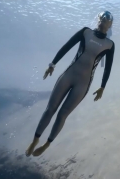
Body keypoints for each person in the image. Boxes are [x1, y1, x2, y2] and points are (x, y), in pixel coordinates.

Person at [25, 11, 115, 157]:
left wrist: (103, 87)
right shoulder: (86, 32)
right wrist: (52, 64)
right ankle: (35, 140)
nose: (103, 22)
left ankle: (46, 144)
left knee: (62, 115)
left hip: (83, 84)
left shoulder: (110, 45)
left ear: (110, 25)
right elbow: (67, 46)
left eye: (106, 20)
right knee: (50, 110)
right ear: (98, 20)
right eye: (101, 19)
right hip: (68, 76)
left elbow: (108, 67)